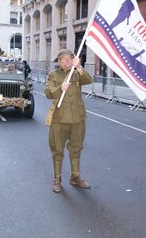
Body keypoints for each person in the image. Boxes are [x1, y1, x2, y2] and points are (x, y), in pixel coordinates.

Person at [45, 49, 93, 193]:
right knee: (57, 150)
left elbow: (89, 80)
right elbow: (48, 92)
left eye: (70, 58)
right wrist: (60, 88)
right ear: (58, 61)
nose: (67, 61)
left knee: (76, 148)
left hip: (78, 118)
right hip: (59, 119)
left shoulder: (77, 73)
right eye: (64, 59)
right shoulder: (53, 74)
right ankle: (57, 179)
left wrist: (78, 67)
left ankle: (75, 177)